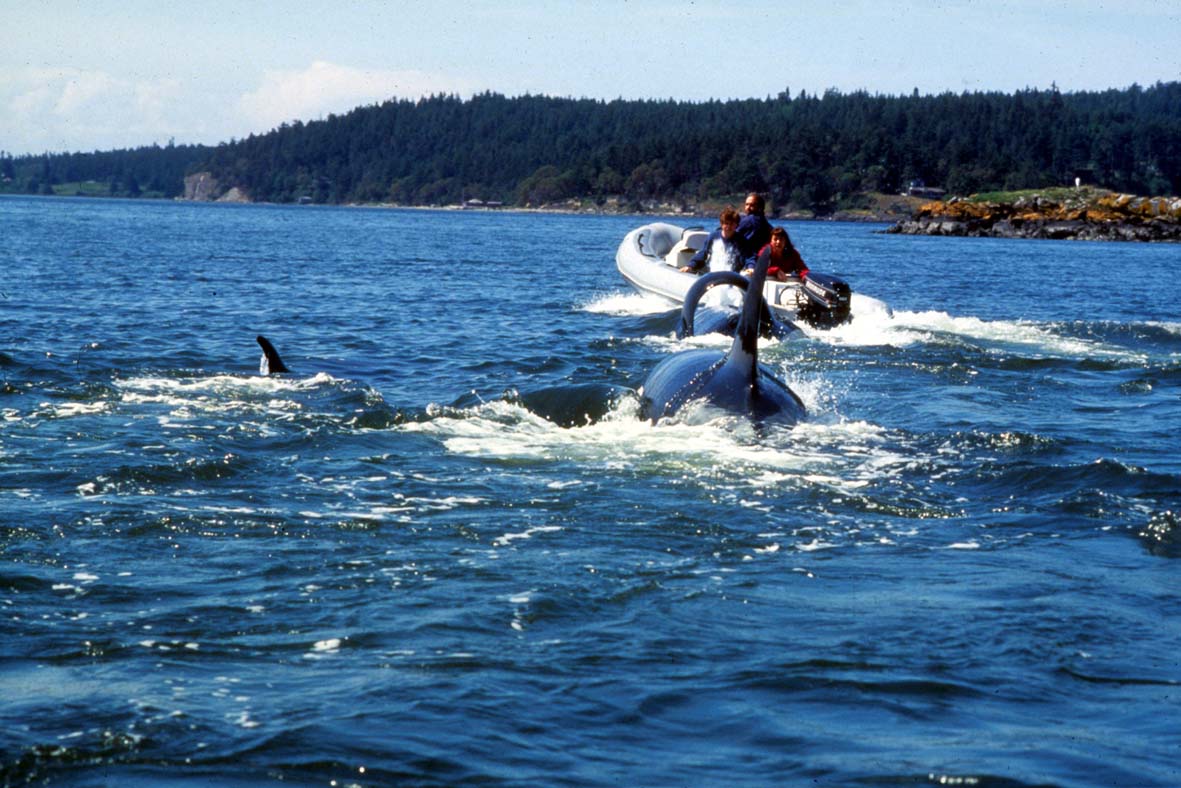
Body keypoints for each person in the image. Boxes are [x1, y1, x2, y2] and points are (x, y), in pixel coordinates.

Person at [680, 206, 743, 273]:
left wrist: (749, 267)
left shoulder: (741, 241)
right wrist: (691, 266)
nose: (728, 226)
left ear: (736, 225)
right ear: (721, 224)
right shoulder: (713, 237)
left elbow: (747, 258)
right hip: (714, 273)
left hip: (732, 275)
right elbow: (703, 253)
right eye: (726, 223)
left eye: (732, 224)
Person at [734, 192, 771, 267]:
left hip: (748, 259)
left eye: (752, 205)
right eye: (746, 204)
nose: (748, 207)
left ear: (760, 207)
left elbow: (731, 233)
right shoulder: (766, 224)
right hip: (762, 260)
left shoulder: (749, 220)